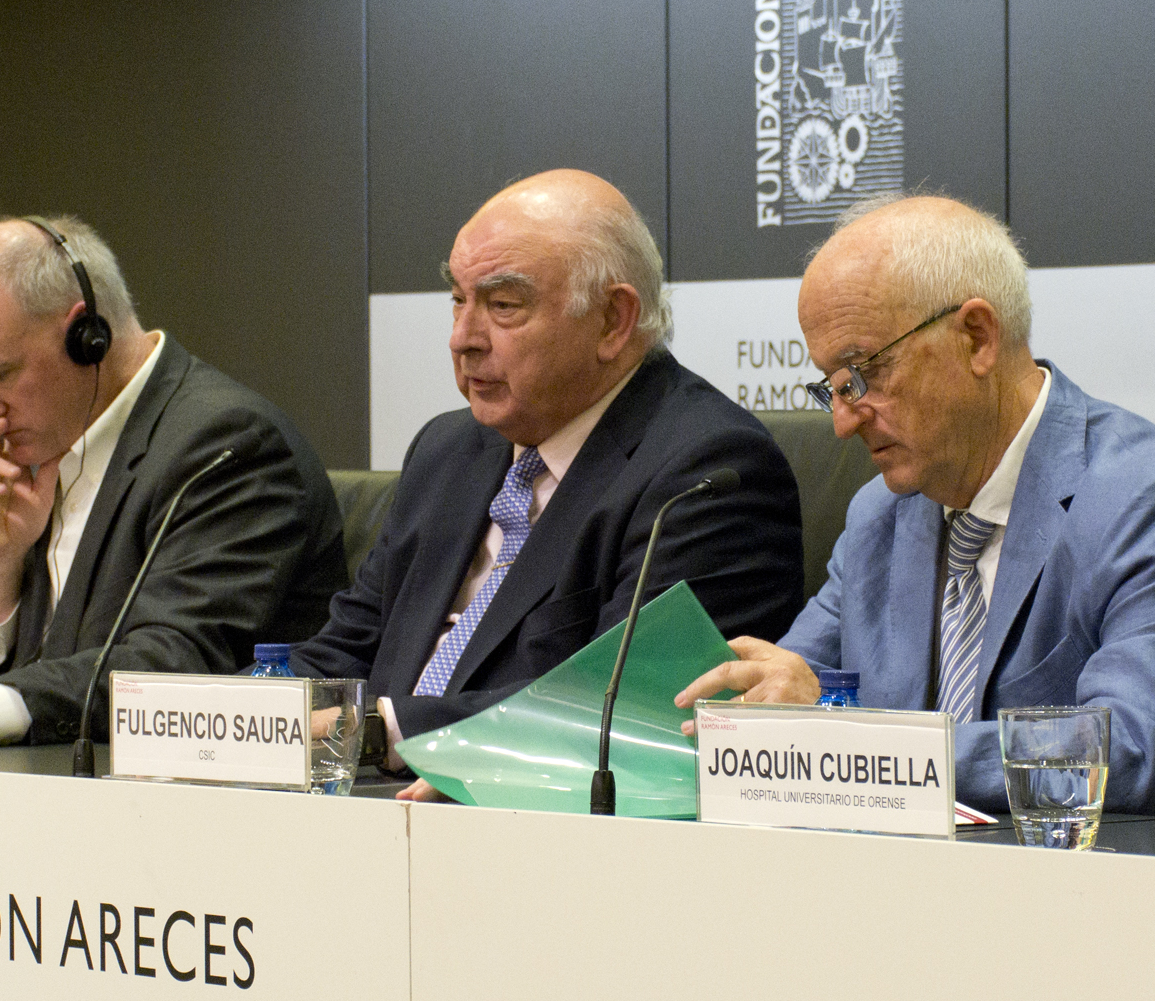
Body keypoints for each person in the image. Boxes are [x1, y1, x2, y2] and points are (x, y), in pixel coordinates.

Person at [675, 194, 1155, 815]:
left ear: (977, 338)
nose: (842, 421)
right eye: (830, 387)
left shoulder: (1154, 501)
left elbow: (1127, 753)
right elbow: (788, 694)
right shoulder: (878, 517)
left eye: (863, 375)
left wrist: (847, 738)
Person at [293, 169, 805, 761]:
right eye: (458, 300)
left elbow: (626, 710)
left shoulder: (708, 472)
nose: (462, 338)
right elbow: (345, 648)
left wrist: (378, 733)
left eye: (503, 305)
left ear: (613, 321)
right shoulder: (446, 450)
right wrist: (250, 714)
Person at [0, 215, 346, 750]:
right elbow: (27, 691)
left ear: (86, 337)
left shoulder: (228, 447)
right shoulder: (51, 448)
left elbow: (168, 668)